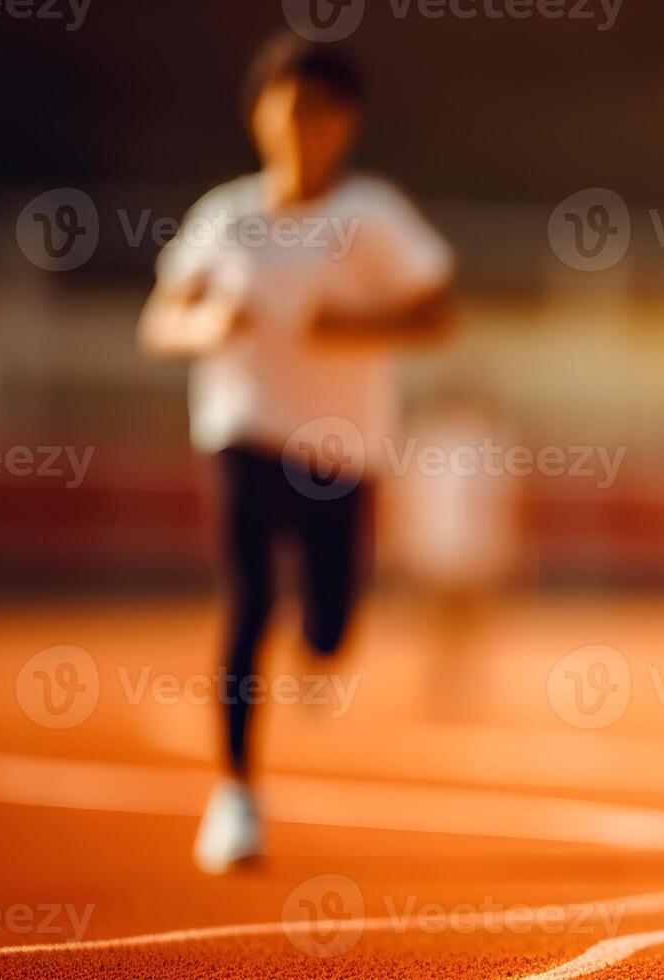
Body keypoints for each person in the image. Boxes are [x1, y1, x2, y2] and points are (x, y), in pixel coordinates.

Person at [138, 33, 455, 874]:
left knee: (328, 626)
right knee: (246, 605)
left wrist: (351, 327)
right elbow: (159, 319)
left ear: (346, 124)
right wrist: (204, 326)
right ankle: (236, 795)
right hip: (241, 433)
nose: (305, 126)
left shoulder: (372, 216)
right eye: (291, 108)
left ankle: (319, 644)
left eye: (323, 111)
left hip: (342, 453)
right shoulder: (224, 217)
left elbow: (438, 314)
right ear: (261, 116)